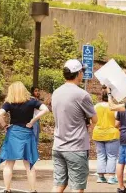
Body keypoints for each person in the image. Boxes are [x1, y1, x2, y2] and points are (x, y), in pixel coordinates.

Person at [52, 59, 98, 193]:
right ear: (78, 73)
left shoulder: (56, 92)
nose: (83, 73)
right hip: (76, 147)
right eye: (82, 71)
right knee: (77, 187)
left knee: (58, 184)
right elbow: (95, 119)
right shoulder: (82, 95)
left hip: (58, 145)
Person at [0, 81, 49, 193]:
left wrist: (4, 125)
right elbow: (45, 109)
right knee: (29, 164)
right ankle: (33, 190)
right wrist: (33, 121)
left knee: (9, 163)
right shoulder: (32, 101)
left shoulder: (9, 102)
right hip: (26, 133)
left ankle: (7, 189)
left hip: (13, 134)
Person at [93, 88, 120, 184]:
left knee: (100, 155)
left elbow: (93, 120)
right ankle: (112, 177)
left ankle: (101, 177)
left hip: (98, 133)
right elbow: (117, 122)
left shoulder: (96, 106)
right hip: (112, 133)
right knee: (112, 156)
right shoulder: (114, 107)